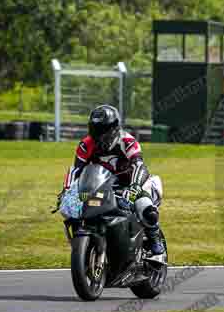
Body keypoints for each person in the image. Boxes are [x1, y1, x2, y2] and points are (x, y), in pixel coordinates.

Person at [61, 105, 165, 255]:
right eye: (95, 129)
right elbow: (76, 170)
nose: (99, 134)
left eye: (103, 130)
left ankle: (154, 237)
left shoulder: (127, 142)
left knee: (144, 205)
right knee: (78, 210)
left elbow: (139, 166)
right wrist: (67, 190)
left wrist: (134, 188)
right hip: (102, 186)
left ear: (115, 127)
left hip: (132, 182)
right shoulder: (86, 145)